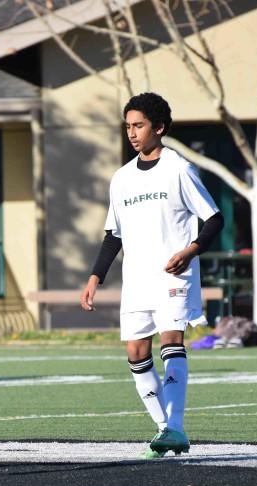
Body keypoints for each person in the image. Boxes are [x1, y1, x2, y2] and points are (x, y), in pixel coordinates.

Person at [80, 92, 223, 459]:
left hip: (174, 276)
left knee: (171, 341)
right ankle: (166, 429)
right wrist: (95, 277)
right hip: (137, 280)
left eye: (139, 125)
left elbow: (214, 219)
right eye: (128, 126)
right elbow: (114, 234)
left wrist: (190, 251)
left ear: (159, 128)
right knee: (136, 352)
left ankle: (175, 427)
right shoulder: (122, 178)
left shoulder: (178, 168)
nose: (132, 132)